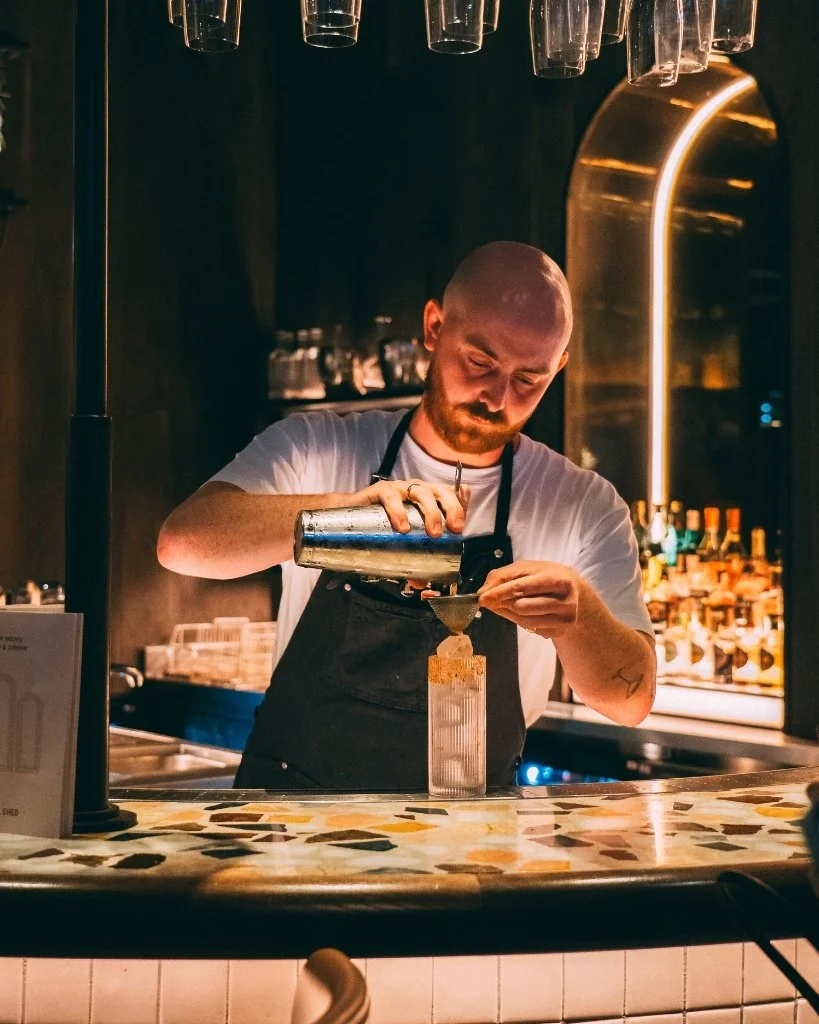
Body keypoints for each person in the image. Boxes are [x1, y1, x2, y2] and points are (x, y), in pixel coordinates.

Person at [157, 241, 656, 790]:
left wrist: (582, 617)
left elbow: (631, 703)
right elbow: (182, 543)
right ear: (434, 327)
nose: (496, 397)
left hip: (473, 836)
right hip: (293, 823)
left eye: (527, 379)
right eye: (480, 362)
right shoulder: (316, 446)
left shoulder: (585, 505)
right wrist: (339, 512)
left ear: (558, 367)